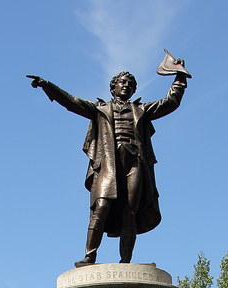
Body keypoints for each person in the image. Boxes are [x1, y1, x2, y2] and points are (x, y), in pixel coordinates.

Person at [28, 65, 187, 266]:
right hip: (108, 163)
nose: (126, 86)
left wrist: (180, 78)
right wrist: (47, 86)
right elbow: (72, 102)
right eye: (123, 82)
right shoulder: (100, 109)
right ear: (113, 88)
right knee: (101, 206)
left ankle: (125, 262)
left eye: (130, 84)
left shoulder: (141, 110)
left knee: (130, 210)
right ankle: (89, 256)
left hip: (134, 161)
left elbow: (170, 102)